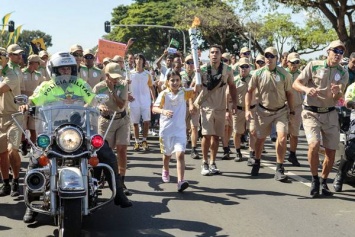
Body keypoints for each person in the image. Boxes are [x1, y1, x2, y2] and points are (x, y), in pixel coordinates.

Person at [21, 52, 132, 223]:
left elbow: (93, 100)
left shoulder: (80, 84)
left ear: (73, 69)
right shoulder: (45, 86)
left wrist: (100, 105)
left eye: (68, 68)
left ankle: (118, 193)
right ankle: (30, 206)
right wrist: (26, 105)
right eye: (61, 69)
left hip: (79, 130)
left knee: (106, 153)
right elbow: (33, 100)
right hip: (53, 131)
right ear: (54, 70)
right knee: (36, 159)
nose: (65, 71)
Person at [293, 40, 348, 197]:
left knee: (331, 151)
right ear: (328, 52)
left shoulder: (342, 73)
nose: (338, 54)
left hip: (330, 113)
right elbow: (296, 83)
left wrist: (338, 91)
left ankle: (324, 181)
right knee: (314, 144)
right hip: (311, 112)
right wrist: (306, 89)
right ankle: (314, 179)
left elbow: (339, 97)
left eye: (341, 52)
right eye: (335, 51)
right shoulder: (313, 65)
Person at [245, 46, 293, 181]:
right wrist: (248, 109)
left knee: (282, 138)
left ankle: (279, 167)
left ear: (277, 59)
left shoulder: (285, 74)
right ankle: (257, 161)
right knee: (260, 139)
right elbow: (249, 92)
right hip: (263, 111)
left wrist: (292, 110)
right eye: (267, 56)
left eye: (272, 56)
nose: (269, 59)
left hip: (280, 111)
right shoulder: (257, 74)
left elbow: (289, 93)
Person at [194, 45, 237, 176]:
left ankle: (213, 162)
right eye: (212, 52)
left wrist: (234, 103)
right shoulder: (201, 69)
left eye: (217, 52)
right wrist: (197, 81)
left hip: (220, 107)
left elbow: (232, 86)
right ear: (209, 55)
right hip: (206, 107)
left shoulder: (227, 69)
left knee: (216, 137)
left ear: (221, 55)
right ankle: (204, 162)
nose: (214, 54)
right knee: (206, 136)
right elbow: (193, 89)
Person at [93, 62, 132, 195]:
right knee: (102, 151)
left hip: (122, 119)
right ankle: (97, 180)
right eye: (113, 77)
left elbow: (121, 105)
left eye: (118, 76)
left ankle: (121, 180)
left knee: (122, 149)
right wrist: (100, 107)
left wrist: (112, 91)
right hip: (106, 122)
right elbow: (93, 103)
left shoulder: (123, 84)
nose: (116, 79)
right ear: (107, 75)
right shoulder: (98, 88)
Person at [152, 70, 194, 192]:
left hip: (180, 131)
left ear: (180, 81)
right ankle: (165, 169)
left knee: (180, 154)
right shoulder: (164, 94)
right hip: (166, 130)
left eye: (177, 80)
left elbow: (197, 89)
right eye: (172, 80)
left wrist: (196, 73)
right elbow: (154, 108)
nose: (175, 82)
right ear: (168, 82)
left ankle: (180, 181)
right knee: (167, 155)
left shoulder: (184, 92)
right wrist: (163, 111)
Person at [0, 44, 25, 197]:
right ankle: (6, 182)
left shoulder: (12, 73)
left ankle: (16, 179)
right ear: (8, 56)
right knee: (1, 153)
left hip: (15, 115)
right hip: (1, 117)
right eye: (16, 54)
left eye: (20, 54)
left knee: (12, 150)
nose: (19, 57)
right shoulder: (5, 70)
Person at [129, 53, 155, 151]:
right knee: (135, 123)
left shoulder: (147, 74)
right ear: (134, 61)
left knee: (146, 122)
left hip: (145, 101)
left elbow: (151, 87)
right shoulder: (130, 73)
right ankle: (136, 142)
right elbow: (126, 87)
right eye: (136, 59)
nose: (138, 60)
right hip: (133, 101)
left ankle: (144, 140)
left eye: (140, 59)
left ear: (143, 61)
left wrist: (154, 100)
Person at [20, 54, 45, 155]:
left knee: (33, 127)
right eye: (38, 63)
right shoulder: (21, 73)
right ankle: (23, 143)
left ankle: (34, 147)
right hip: (22, 103)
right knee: (22, 126)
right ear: (32, 63)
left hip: (35, 103)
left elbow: (43, 88)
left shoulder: (39, 75)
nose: (39, 65)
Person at [232, 58, 256, 162]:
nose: (244, 69)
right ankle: (238, 152)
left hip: (252, 109)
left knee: (252, 131)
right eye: (242, 66)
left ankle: (252, 154)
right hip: (239, 110)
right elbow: (228, 96)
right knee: (237, 132)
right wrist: (228, 110)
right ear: (238, 68)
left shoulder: (254, 79)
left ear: (250, 68)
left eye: (246, 66)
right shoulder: (235, 80)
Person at [180, 55, 200, 159]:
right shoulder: (180, 75)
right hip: (183, 105)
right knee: (184, 127)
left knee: (194, 127)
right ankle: (182, 146)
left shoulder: (198, 75)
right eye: (189, 62)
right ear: (184, 64)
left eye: (193, 62)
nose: (191, 64)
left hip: (195, 105)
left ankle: (194, 149)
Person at [285, 52, 302, 166]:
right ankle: (280, 159)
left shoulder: (302, 75)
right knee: (282, 133)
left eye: (297, 62)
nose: (295, 65)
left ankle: (292, 154)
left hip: (297, 107)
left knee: (294, 133)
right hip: (283, 107)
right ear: (287, 63)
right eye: (293, 62)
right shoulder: (282, 74)